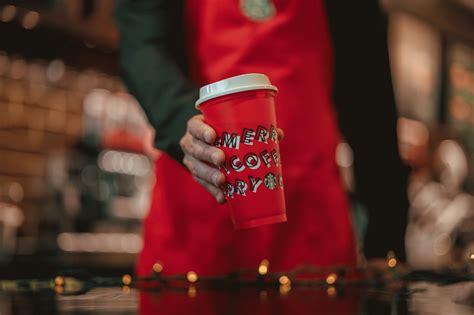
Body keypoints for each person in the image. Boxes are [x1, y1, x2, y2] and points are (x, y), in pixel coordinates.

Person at [115, 0, 410, 277]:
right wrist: (182, 121)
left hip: (309, 227)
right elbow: (143, 45)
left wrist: (386, 236)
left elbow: (370, 96)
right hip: (196, 217)